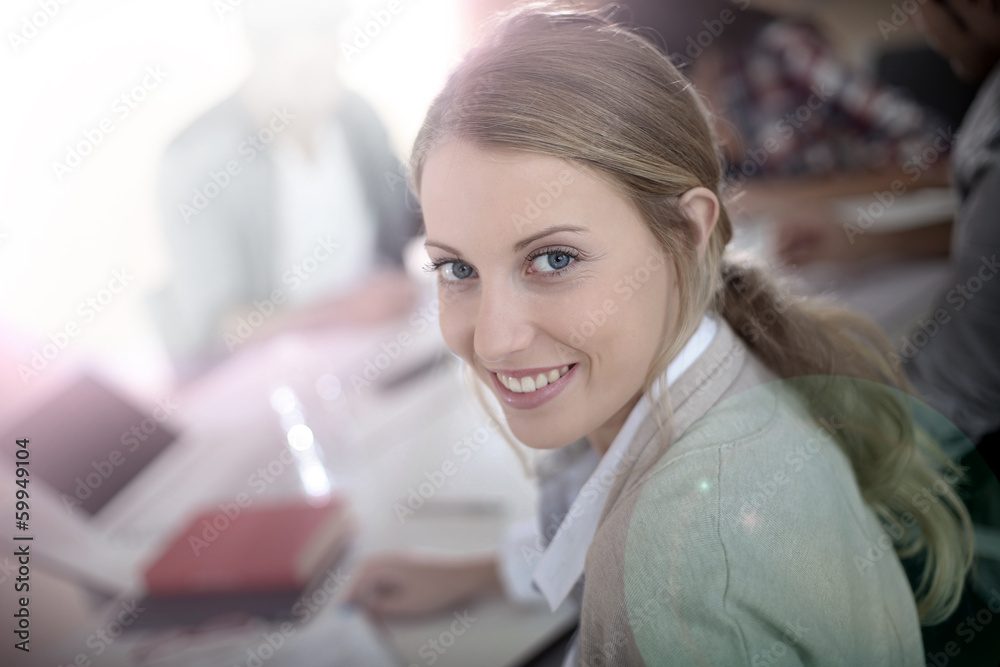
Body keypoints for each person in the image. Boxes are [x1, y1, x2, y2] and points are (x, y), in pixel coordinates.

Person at [345, 4, 975, 664]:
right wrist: (483, 571)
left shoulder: (675, 579)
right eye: (457, 268)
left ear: (685, 233)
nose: (495, 339)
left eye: (554, 259)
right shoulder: (703, 368)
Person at [152, 0, 419, 381]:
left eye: (331, 65)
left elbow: (415, 218)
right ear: (261, 59)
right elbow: (221, 329)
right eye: (306, 73)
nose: (327, 88)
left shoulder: (355, 114)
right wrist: (344, 312)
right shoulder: (194, 160)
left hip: (388, 346)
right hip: (275, 378)